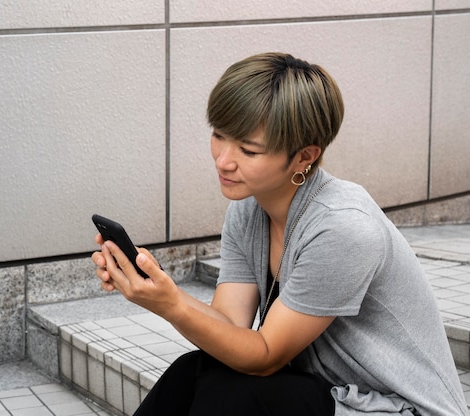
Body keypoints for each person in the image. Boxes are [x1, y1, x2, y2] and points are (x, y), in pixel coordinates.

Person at [92, 52, 468, 415]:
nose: (224, 160)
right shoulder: (248, 207)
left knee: (235, 395)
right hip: (327, 392)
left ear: (304, 156)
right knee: (193, 371)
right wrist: (158, 289)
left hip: (397, 406)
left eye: (249, 150)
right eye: (219, 135)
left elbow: (264, 356)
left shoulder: (343, 228)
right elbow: (229, 325)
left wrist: (171, 306)